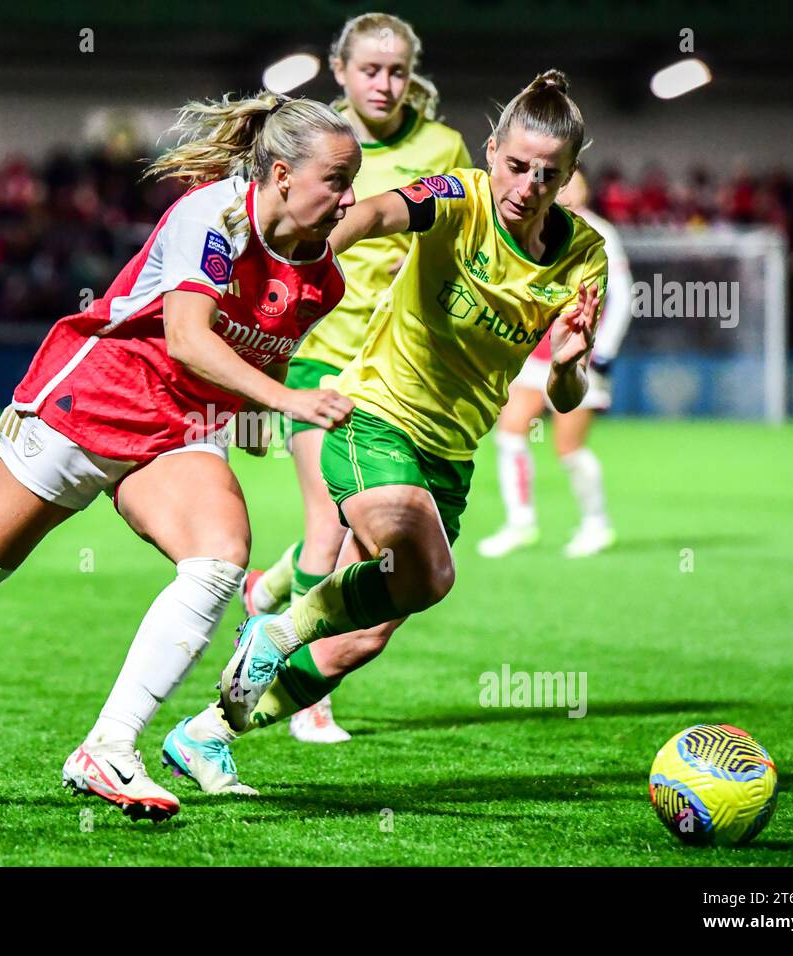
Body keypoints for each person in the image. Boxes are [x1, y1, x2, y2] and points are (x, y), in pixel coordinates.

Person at [0, 91, 359, 821]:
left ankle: (109, 747)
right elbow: (188, 337)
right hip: (90, 401)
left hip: (175, 430)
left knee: (218, 560)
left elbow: (259, 356)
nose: (348, 199)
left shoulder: (323, 278)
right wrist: (285, 403)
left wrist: (253, 416)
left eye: (352, 181)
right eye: (335, 180)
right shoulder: (212, 218)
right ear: (280, 175)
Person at [162, 70, 608, 793]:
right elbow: (369, 216)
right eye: (517, 165)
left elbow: (565, 396)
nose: (528, 184)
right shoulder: (457, 197)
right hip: (372, 415)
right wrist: (295, 252)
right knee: (403, 526)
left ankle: (207, 733)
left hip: (451, 456)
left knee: (372, 628)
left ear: (567, 175)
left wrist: (568, 361)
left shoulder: (583, 255)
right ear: (491, 153)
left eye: (548, 174)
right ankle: (275, 627)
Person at [242, 12, 473, 745]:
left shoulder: (443, 147)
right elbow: (269, 257)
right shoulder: (315, 142)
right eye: (370, 69)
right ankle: (306, 692)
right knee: (329, 523)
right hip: (319, 352)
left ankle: (271, 587)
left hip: (398, 373)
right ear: (339, 71)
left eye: (398, 70)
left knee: (356, 531)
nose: (385, 82)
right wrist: (257, 374)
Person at [476, 170, 633, 558]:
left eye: (572, 181)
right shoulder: (533, 226)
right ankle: (520, 522)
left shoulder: (599, 233)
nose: (565, 190)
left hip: (579, 355)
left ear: (586, 188)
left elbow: (624, 296)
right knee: (511, 432)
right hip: (535, 355)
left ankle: (597, 524)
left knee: (568, 447)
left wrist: (604, 351)